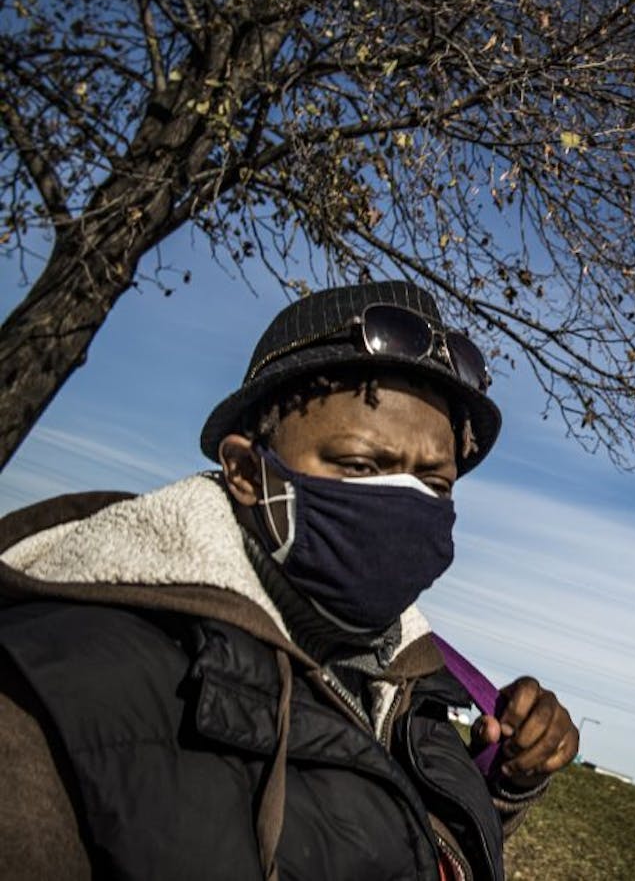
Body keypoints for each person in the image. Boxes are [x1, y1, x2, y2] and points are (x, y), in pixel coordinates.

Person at [0, 281, 578, 880]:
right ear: (247, 472)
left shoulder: (401, 684)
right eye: (360, 465)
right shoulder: (55, 701)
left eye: (434, 483)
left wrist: (506, 779)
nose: (402, 504)